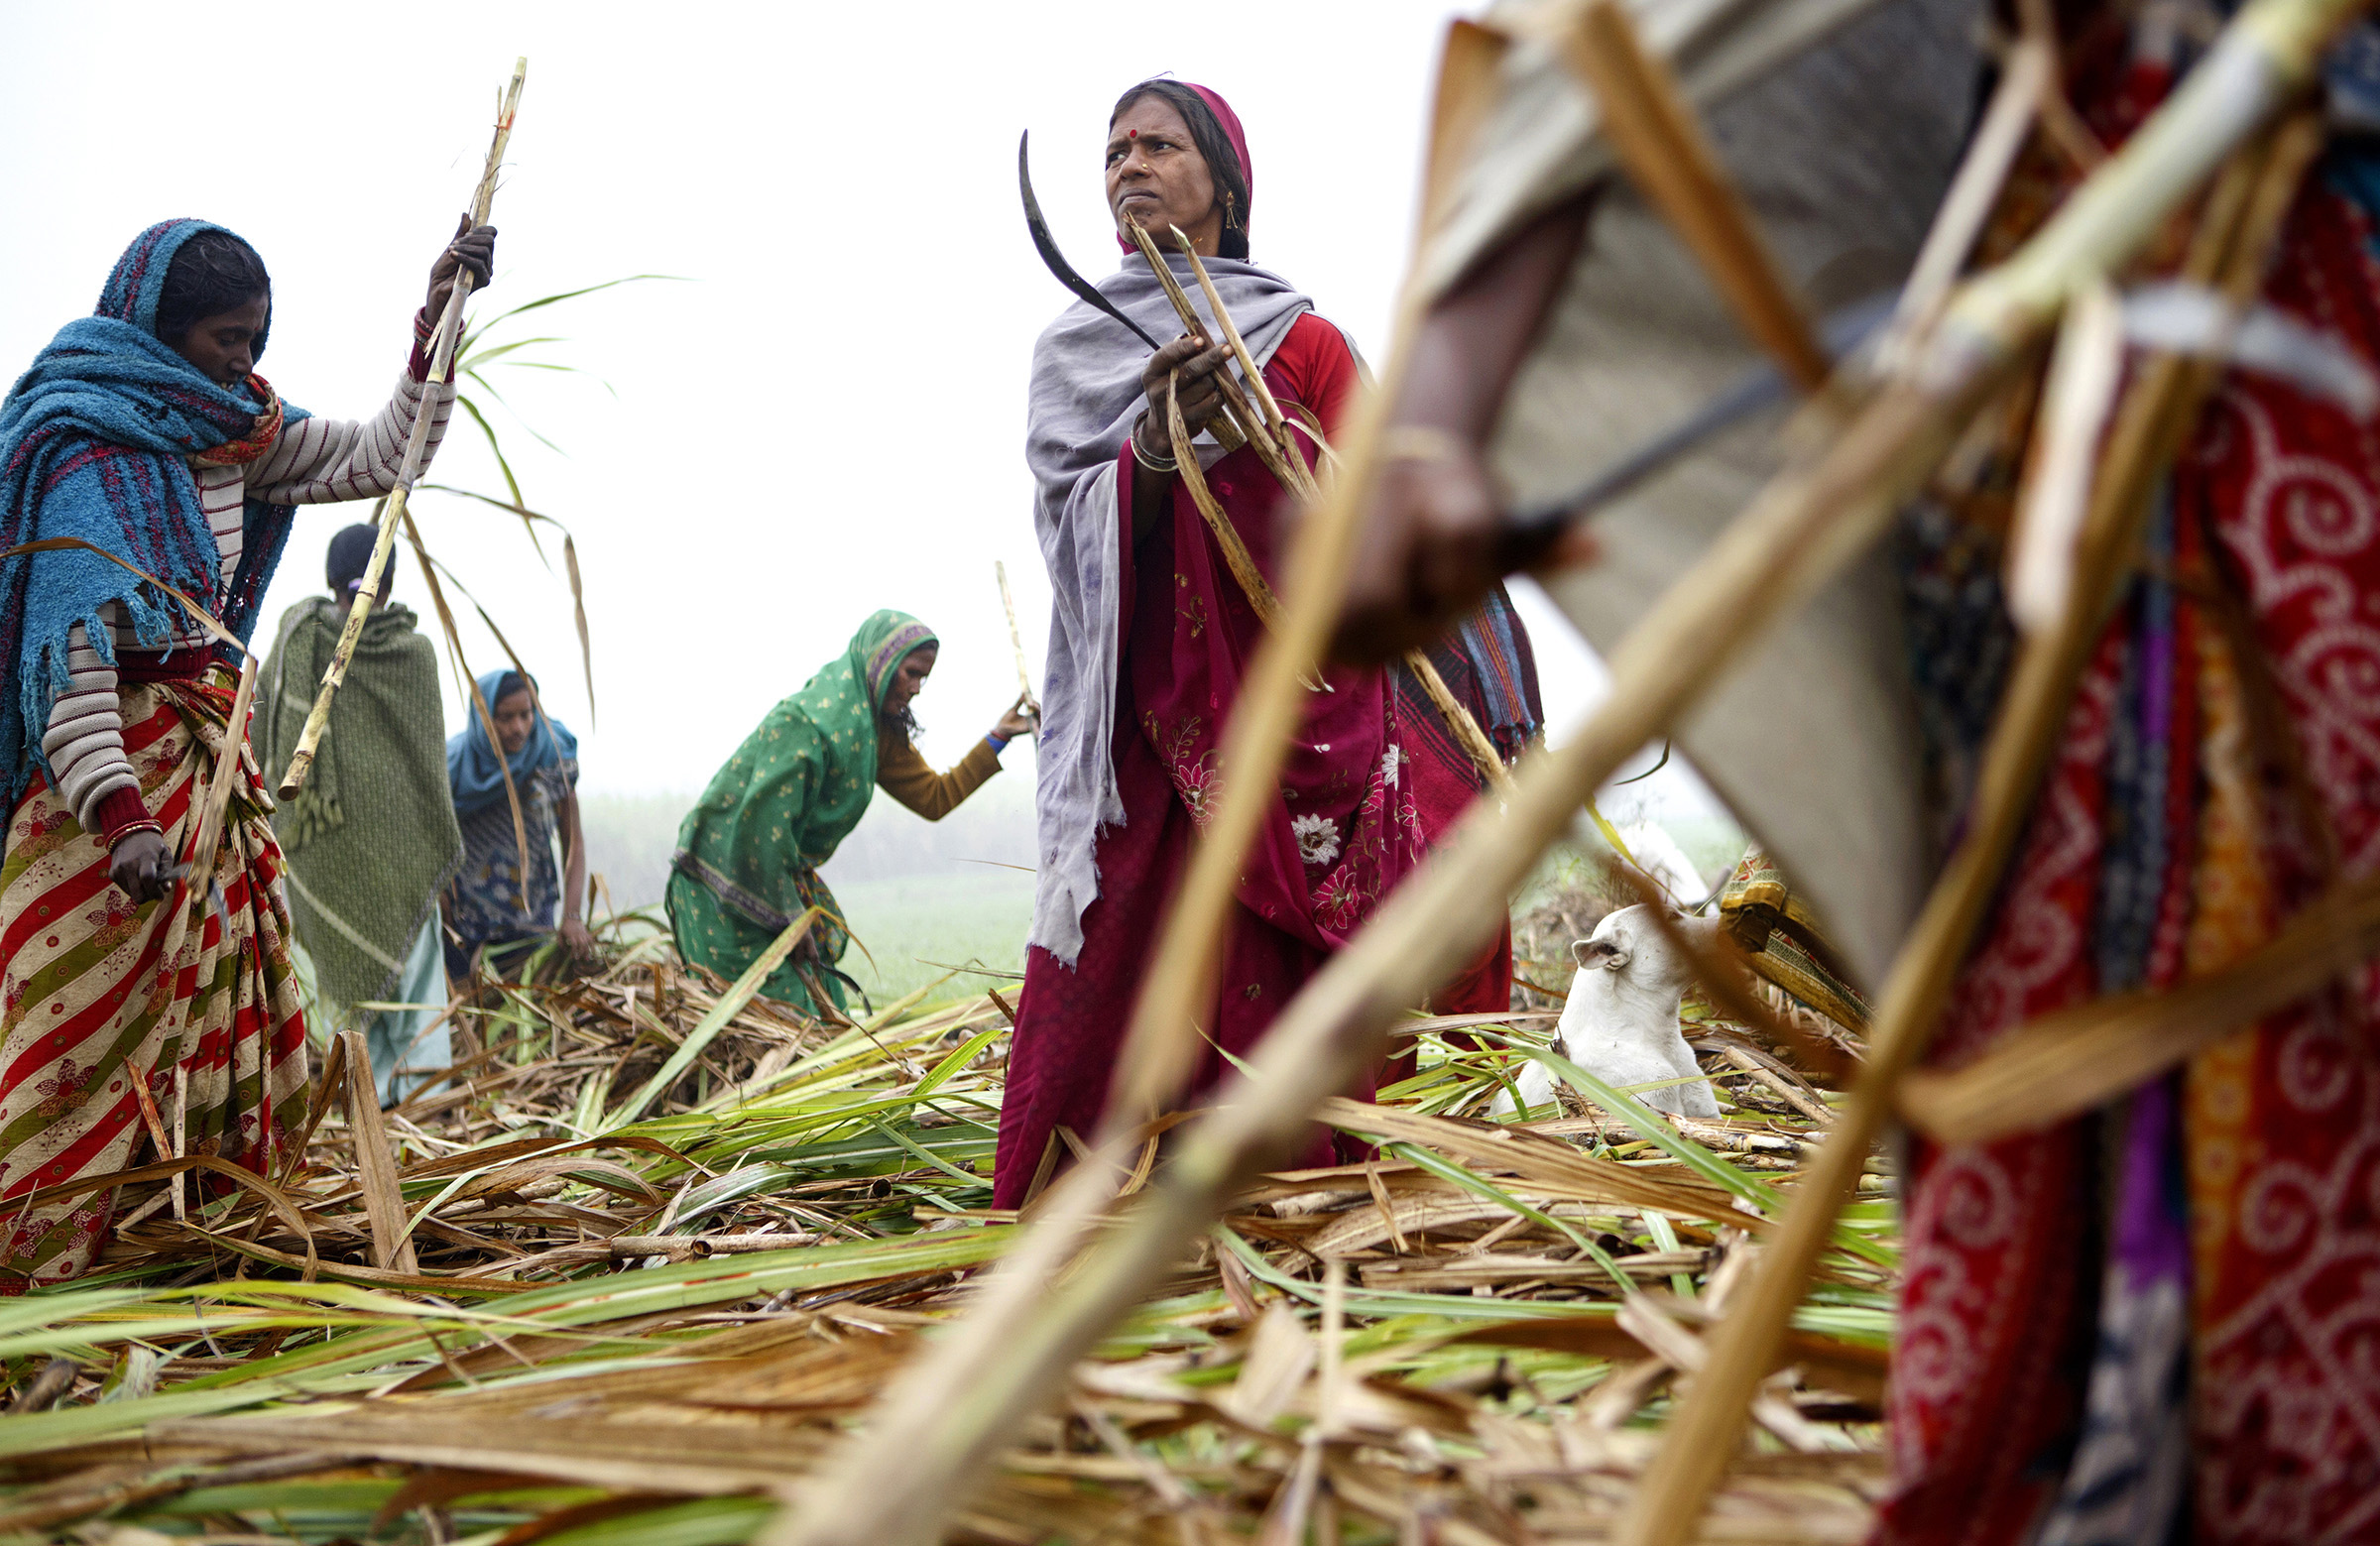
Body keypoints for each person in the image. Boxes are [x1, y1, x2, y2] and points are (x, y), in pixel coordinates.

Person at [1327, 1, 2380, 1537]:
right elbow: (1635, 46)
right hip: (2081, 452)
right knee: (2103, 968)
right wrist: (1428, 425)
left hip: (2267, 353)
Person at [993, 80, 1532, 1209]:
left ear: (1225, 186)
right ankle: (1109, 1204)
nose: (1128, 165)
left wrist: (1269, 438)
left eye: (1159, 145)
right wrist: (1152, 444)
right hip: (1153, 720)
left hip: (1308, 717)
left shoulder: (1309, 340)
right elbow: (1068, 518)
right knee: (1134, 953)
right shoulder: (1077, 351)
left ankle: (1309, 1190)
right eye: (1113, 151)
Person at [0, 215, 493, 1287]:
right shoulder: (86, 449)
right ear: (157, 330)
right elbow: (75, 655)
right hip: (107, 796)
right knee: (80, 1035)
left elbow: (380, 452)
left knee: (219, 1011)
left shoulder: (242, 434)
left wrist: (439, 322)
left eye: (258, 338)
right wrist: (121, 816)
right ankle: (38, 1271)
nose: (246, 360)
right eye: (227, 336)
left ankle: (187, 1238)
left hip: (213, 777)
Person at [668, 610, 1036, 1018]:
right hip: (724, 883)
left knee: (823, 1018)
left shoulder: (874, 733)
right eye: (910, 673)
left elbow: (935, 797)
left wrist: (998, 737)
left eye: (923, 678)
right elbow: (759, 828)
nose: (916, 688)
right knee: (778, 1024)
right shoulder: (806, 723)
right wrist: (792, 917)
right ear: (880, 662)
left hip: (778, 882)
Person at [256, 525, 460, 1106]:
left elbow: (424, 765)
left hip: (400, 850)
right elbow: (269, 726)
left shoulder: (408, 655)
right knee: (352, 976)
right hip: (327, 851)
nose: (361, 601)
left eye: (367, 587)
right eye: (353, 589)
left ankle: (413, 1100)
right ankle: (372, 1098)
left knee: (405, 972)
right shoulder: (304, 641)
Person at [441, 670, 588, 983]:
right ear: (482, 717)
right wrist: (441, 906)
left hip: (532, 923)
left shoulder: (552, 756)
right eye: (505, 717)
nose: (518, 728)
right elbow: (429, 841)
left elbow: (573, 841)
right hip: (467, 931)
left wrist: (572, 916)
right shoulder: (451, 768)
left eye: (526, 714)